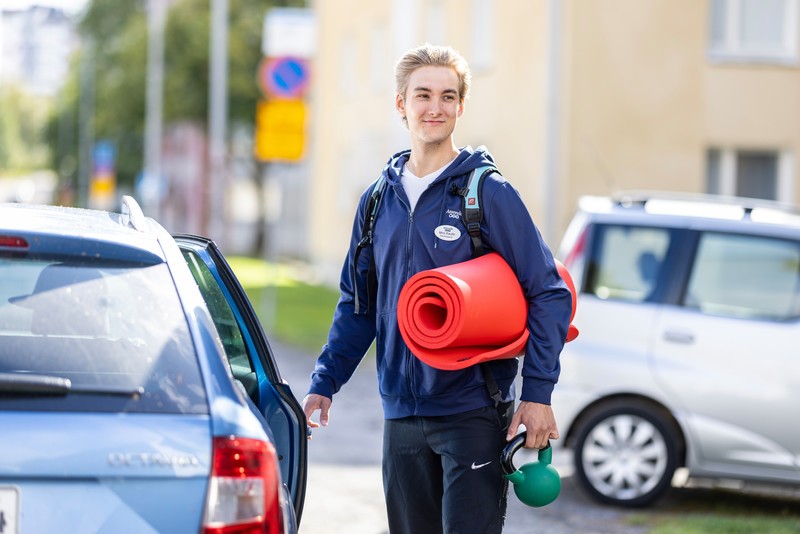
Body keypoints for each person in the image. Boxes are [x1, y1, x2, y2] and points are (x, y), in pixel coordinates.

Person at [302, 43, 572, 534]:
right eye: (423, 94)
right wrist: (326, 381)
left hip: (472, 410)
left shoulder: (486, 192)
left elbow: (549, 291)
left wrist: (538, 393)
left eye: (448, 96)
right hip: (401, 414)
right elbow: (359, 305)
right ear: (401, 104)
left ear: (461, 107)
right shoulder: (376, 200)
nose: (436, 107)